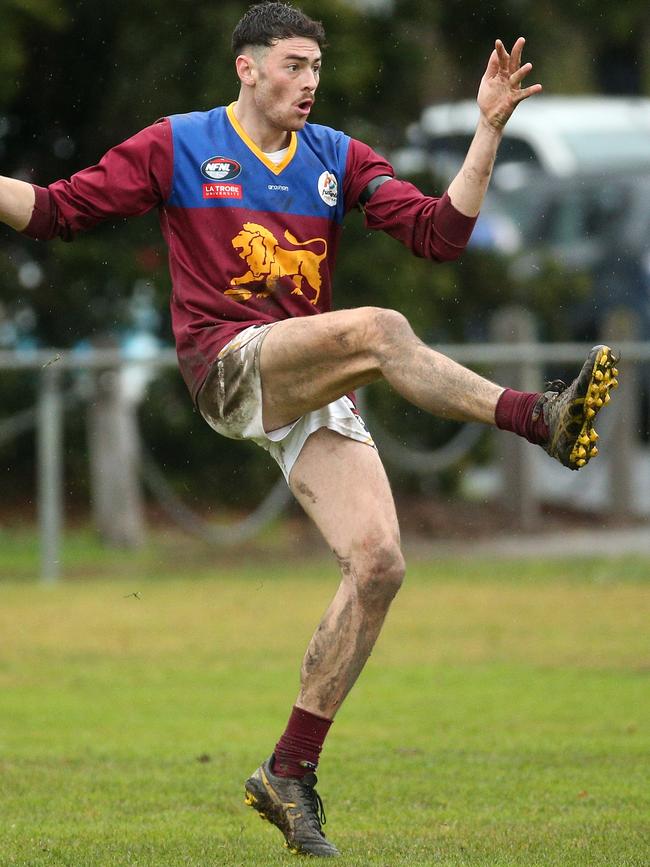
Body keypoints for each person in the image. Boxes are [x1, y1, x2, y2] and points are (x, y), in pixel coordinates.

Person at [0, 1, 619, 857]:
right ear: (246, 68)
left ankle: (289, 769)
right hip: (228, 363)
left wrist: (487, 130)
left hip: (304, 374)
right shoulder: (178, 143)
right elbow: (56, 211)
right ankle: (535, 416)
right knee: (379, 329)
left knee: (379, 565)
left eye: (316, 68)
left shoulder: (337, 156)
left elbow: (440, 236)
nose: (309, 83)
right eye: (292, 65)